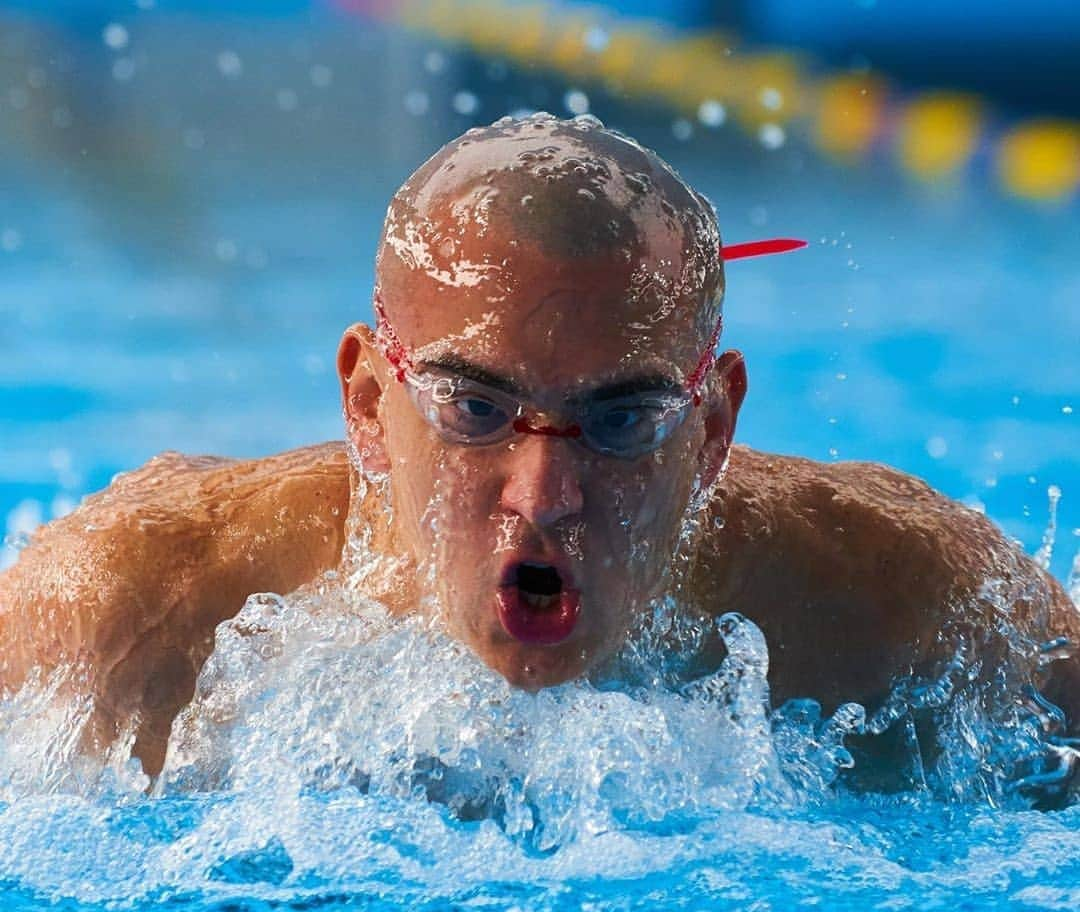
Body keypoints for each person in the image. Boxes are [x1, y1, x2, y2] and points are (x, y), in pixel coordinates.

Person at [1, 114, 1077, 790]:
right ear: (371, 403)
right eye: (475, 410)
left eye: (623, 419)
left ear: (710, 430)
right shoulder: (125, 617)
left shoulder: (895, 601)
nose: (546, 494)